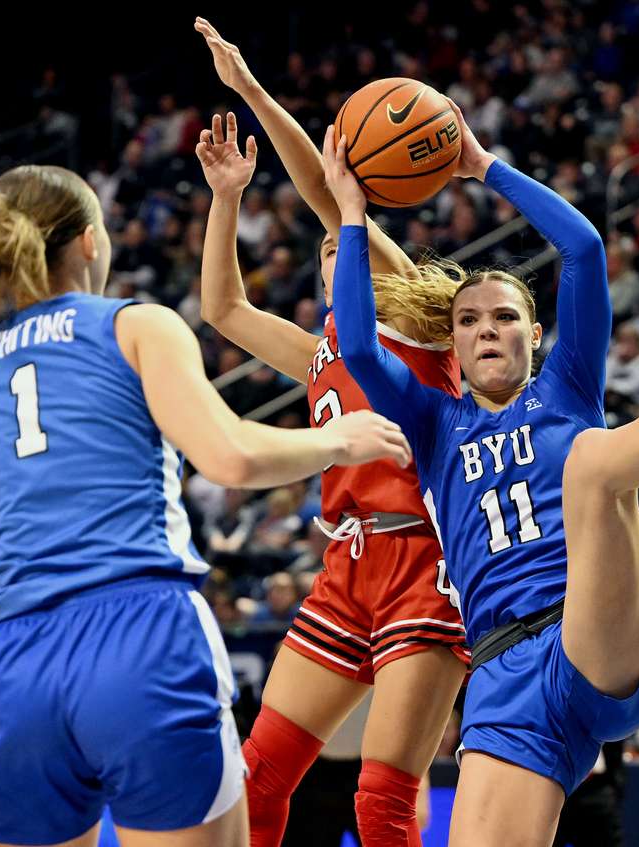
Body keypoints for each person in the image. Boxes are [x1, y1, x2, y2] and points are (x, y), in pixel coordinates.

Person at [322, 98, 639, 845]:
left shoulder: (565, 387)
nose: (486, 330)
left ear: (535, 334)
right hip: (503, 675)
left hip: (595, 637)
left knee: (592, 464)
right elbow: (363, 350)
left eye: (503, 317)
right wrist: (348, 210)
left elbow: (585, 249)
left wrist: (482, 165)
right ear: (454, 347)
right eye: (469, 321)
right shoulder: (435, 423)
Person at [0, 164, 411, 847]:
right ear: (92, 243)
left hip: (13, 655)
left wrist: (38, 594)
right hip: (139, 630)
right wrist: (335, 439)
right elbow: (232, 456)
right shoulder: (136, 325)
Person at [194, 20, 469, 847]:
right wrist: (228, 198)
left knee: (381, 800)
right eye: (321, 246)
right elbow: (223, 310)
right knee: (259, 773)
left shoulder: (414, 318)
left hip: (424, 562)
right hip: (346, 564)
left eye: (337, 241)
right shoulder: (320, 352)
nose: (327, 248)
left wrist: (251, 93)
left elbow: (325, 189)